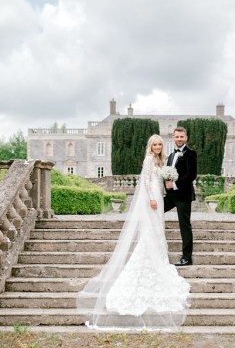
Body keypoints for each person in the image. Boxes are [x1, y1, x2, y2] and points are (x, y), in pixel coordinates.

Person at [76, 134, 190, 330]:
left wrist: (169, 182)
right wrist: (152, 199)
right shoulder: (148, 160)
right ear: (150, 146)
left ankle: (159, 259)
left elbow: (162, 178)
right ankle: (149, 258)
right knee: (151, 231)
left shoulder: (161, 160)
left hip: (160, 197)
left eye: (159, 144)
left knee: (158, 231)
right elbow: (145, 181)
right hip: (152, 197)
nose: (157, 146)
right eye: (154, 144)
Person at [164, 127, 197, 266]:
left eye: (181, 137)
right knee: (154, 211)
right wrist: (165, 184)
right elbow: (167, 173)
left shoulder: (191, 154)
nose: (179, 139)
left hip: (183, 196)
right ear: (173, 137)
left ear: (186, 137)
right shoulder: (171, 155)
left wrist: (175, 184)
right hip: (171, 195)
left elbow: (191, 175)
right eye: (177, 137)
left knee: (185, 226)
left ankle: (187, 258)